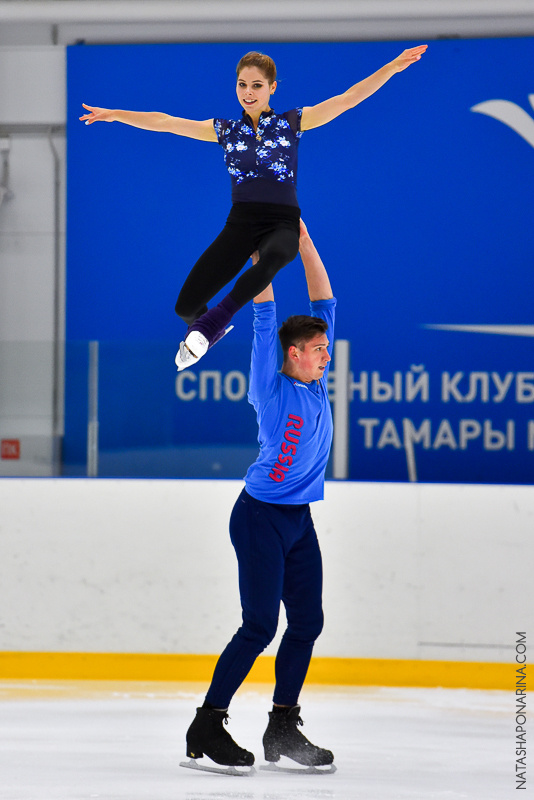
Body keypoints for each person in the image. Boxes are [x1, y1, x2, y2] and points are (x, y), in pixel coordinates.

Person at [80, 45, 426, 371]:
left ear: (272, 88)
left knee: (276, 256)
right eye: (242, 84)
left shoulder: (292, 123)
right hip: (241, 224)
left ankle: (216, 320)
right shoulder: (226, 131)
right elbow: (166, 121)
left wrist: (392, 67)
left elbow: (348, 99)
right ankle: (210, 329)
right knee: (185, 307)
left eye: (257, 85)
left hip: (282, 223)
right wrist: (116, 115)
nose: (248, 92)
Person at [182, 220, 336, 774]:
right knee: (259, 626)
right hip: (259, 517)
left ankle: (282, 726)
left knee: (308, 622)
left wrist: (300, 235)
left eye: (325, 348)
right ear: (292, 354)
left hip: (299, 520)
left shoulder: (316, 381)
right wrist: (260, 251)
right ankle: (206, 724)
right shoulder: (271, 387)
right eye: (317, 350)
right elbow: (263, 312)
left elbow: (323, 293)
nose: (326, 356)